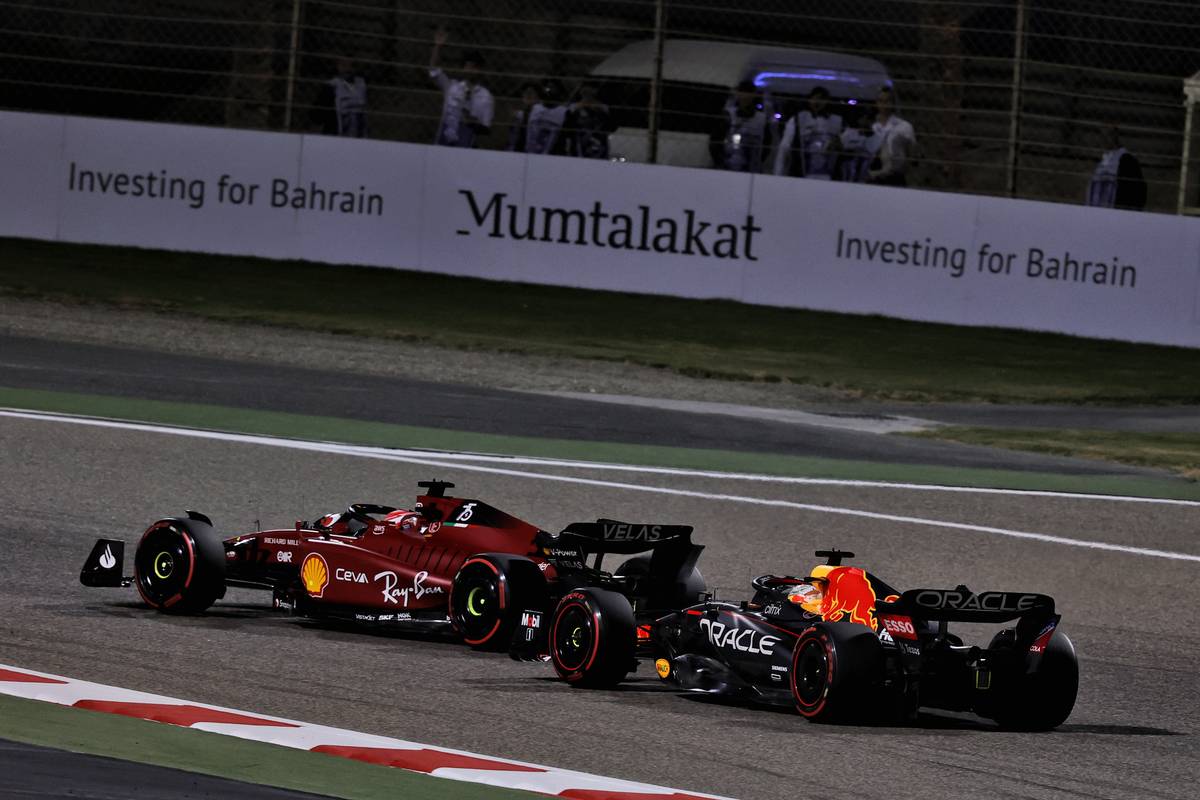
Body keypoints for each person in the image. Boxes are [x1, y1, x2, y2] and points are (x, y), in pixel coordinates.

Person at [428, 28, 494, 148]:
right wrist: (438, 47)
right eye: (467, 66)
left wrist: (470, 122)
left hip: (465, 145)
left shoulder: (486, 96)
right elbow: (434, 71)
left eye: (474, 67)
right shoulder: (452, 87)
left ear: (480, 70)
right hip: (442, 141)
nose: (470, 69)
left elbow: (486, 127)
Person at [773, 86, 843, 179]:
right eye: (815, 98)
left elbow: (843, 145)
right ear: (809, 99)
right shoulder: (798, 119)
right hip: (801, 173)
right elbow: (784, 147)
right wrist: (778, 173)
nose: (817, 102)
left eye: (821, 99)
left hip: (828, 174)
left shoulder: (836, 121)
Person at [709, 80, 769, 173]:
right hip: (728, 163)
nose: (745, 96)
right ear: (737, 94)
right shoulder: (728, 115)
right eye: (742, 92)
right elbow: (715, 140)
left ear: (754, 95)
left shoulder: (762, 118)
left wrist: (759, 160)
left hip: (752, 165)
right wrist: (720, 162)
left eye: (748, 92)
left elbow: (767, 143)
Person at [1087, 125, 1146, 211]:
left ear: (1116, 136)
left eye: (1109, 135)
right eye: (1101, 136)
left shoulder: (1127, 160)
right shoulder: (1102, 160)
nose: (1104, 139)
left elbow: (1136, 191)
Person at [866, 87, 916, 187]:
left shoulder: (904, 126)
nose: (884, 104)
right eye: (881, 101)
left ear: (893, 103)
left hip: (895, 177)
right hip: (871, 176)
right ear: (876, 103)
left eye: (887, 101)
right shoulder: (870, 126)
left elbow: (911, 153)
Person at [312, 57, 368, 137]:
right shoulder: (331, 86)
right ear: (338, 66)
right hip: (335, 131)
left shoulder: (361, 85)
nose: (348, 69)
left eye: (352, 66)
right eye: (344, 65)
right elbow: (316, 116)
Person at [561, 82, 614, 159]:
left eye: (591, 89)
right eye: (585, 90)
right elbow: (567, 129)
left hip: (598, 143)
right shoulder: (573, 108)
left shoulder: (603, 108)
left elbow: (609, 127)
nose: (588, 92)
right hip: (579, 143)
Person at [524, 79, 568, 155]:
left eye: (552, 88)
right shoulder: (533, 109)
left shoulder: (564, 112)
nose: (549, 90)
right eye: (547, 88)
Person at [834, 107, 876, 183]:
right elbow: (840, 149)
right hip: (847, 170)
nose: (865, 120)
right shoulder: (848, 133)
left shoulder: (876, 137)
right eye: (863, 117)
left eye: (868, 119)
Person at [506, 82, 541, 152]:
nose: (528, 95)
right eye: (526, 92)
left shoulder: (541, 114)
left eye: (531, 92)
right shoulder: (520, 115)